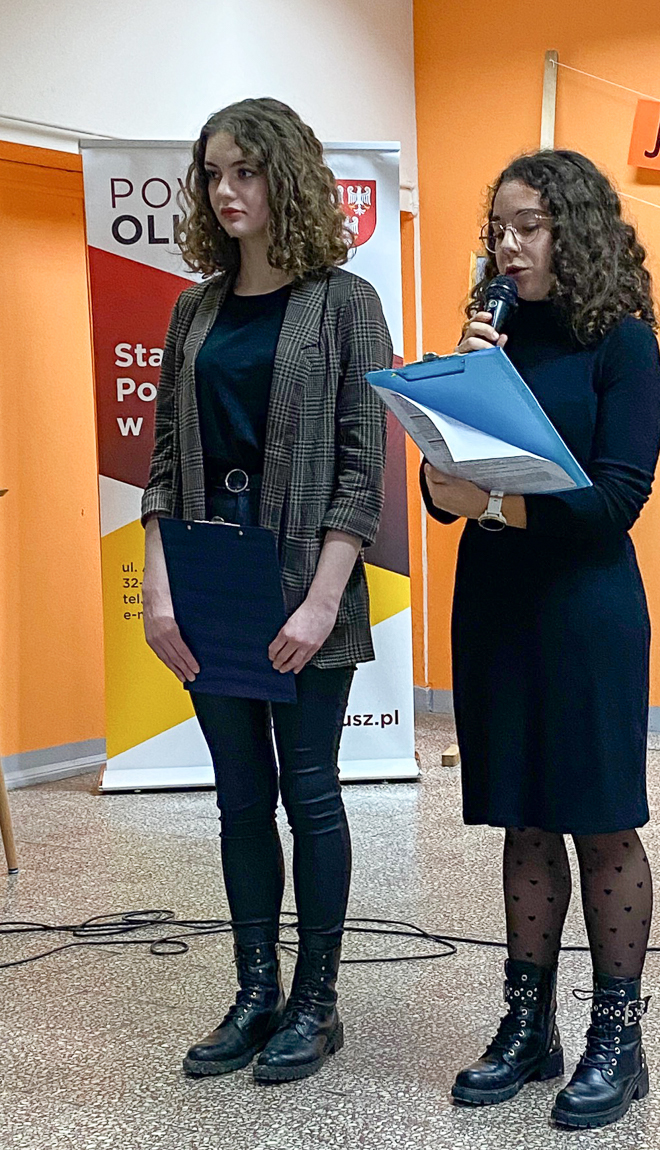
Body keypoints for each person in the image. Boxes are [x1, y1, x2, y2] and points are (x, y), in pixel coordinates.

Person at [141, 98, 391, 1084]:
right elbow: (165, 459)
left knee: (310, 791)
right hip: (211, 583)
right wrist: (160, 591)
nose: (225, 190)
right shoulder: (194, 311)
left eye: (244, 170)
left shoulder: (346, 304)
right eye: (212, 173)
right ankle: (255, 992)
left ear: (285, 177)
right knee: (240, 798)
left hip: (305, 585)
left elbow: (362, 466)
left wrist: (324, 601)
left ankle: (316, 1004)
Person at [421, 150, 660, 1129]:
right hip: (496, 603)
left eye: (528, 226)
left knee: (598, 819)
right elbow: (446, 487)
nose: (508, 246)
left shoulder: (625, 344)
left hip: (586, 608)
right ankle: (529, 1028)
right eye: (499, 229)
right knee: (524, 818)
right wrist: (456, 392)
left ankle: (618, 1040)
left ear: (578, 230)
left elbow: (615, 501)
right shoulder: (494, 339)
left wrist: (491, 505)